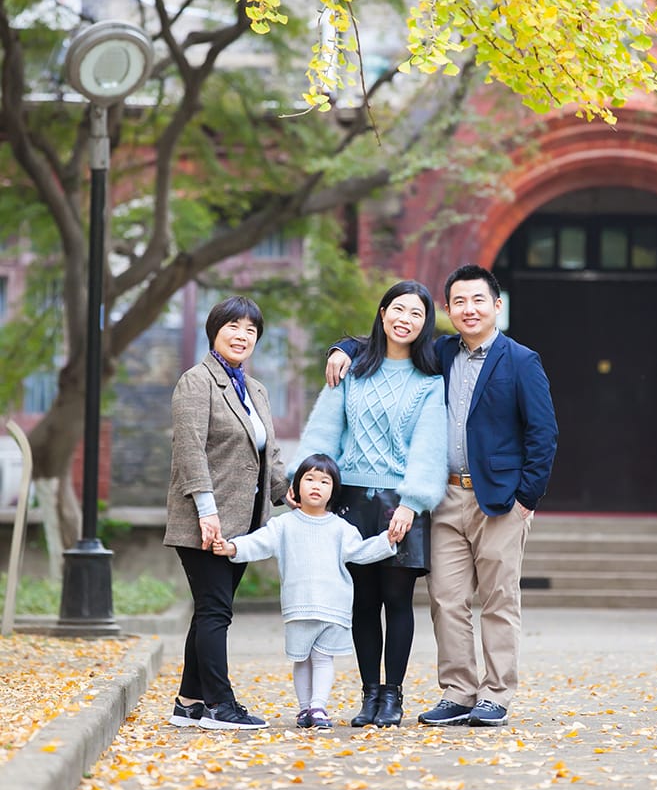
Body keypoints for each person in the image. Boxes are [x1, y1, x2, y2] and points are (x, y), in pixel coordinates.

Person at [326, 264, 558, 728]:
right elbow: (388, 338)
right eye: (459, 303)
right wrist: (342, 348)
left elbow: (543, 434)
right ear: (448, 310)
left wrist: (525, 500)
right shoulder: (441, 352)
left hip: (500, 502)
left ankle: (495, 693)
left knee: (497, 600)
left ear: (496, 305)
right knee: (446, 600)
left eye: (478, 301)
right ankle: (458, 692)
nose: (468, 310)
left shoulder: (521, 360)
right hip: (445, 498)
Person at [291, 280, 448, 728]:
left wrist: (411, 502)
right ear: (382, 314)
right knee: (361, 601)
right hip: (351, 500)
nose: (405, 319)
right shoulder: (351, 370)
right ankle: (368, 695)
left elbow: (429, 446)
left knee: (398, 600)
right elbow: (324, 430)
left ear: (425, 324)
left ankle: (393, 696)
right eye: (398, 309)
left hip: (400, 502)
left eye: (416, 314)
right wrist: (301, 479)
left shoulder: (429, 381)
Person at [164, 296, 289, 731]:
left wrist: (285, 493)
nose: (242, 335)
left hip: (245, 523)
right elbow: (189, 450)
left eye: (251, 329)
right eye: (233, 326)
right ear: (215, 330)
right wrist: (205, 509)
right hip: (205, 521)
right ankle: (221, 704)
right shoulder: (196, 382)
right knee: (217, 611)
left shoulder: (255, 390)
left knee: (210, 610)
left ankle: (189, 702)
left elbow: (268, 451)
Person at [212, 453, 399, 730]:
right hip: (298, 605)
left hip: (332, 605)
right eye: (309, 479)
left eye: (324, 481)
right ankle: (304, 709)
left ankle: (318, 706)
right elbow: (259, 542)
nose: (316, 485)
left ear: (334, 490)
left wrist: (387, 541)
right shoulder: (284, 525)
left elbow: (361, 552)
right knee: (301, 658)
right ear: (296, 486)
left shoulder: (341, 528)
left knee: (323, 658)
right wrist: (234, 548)